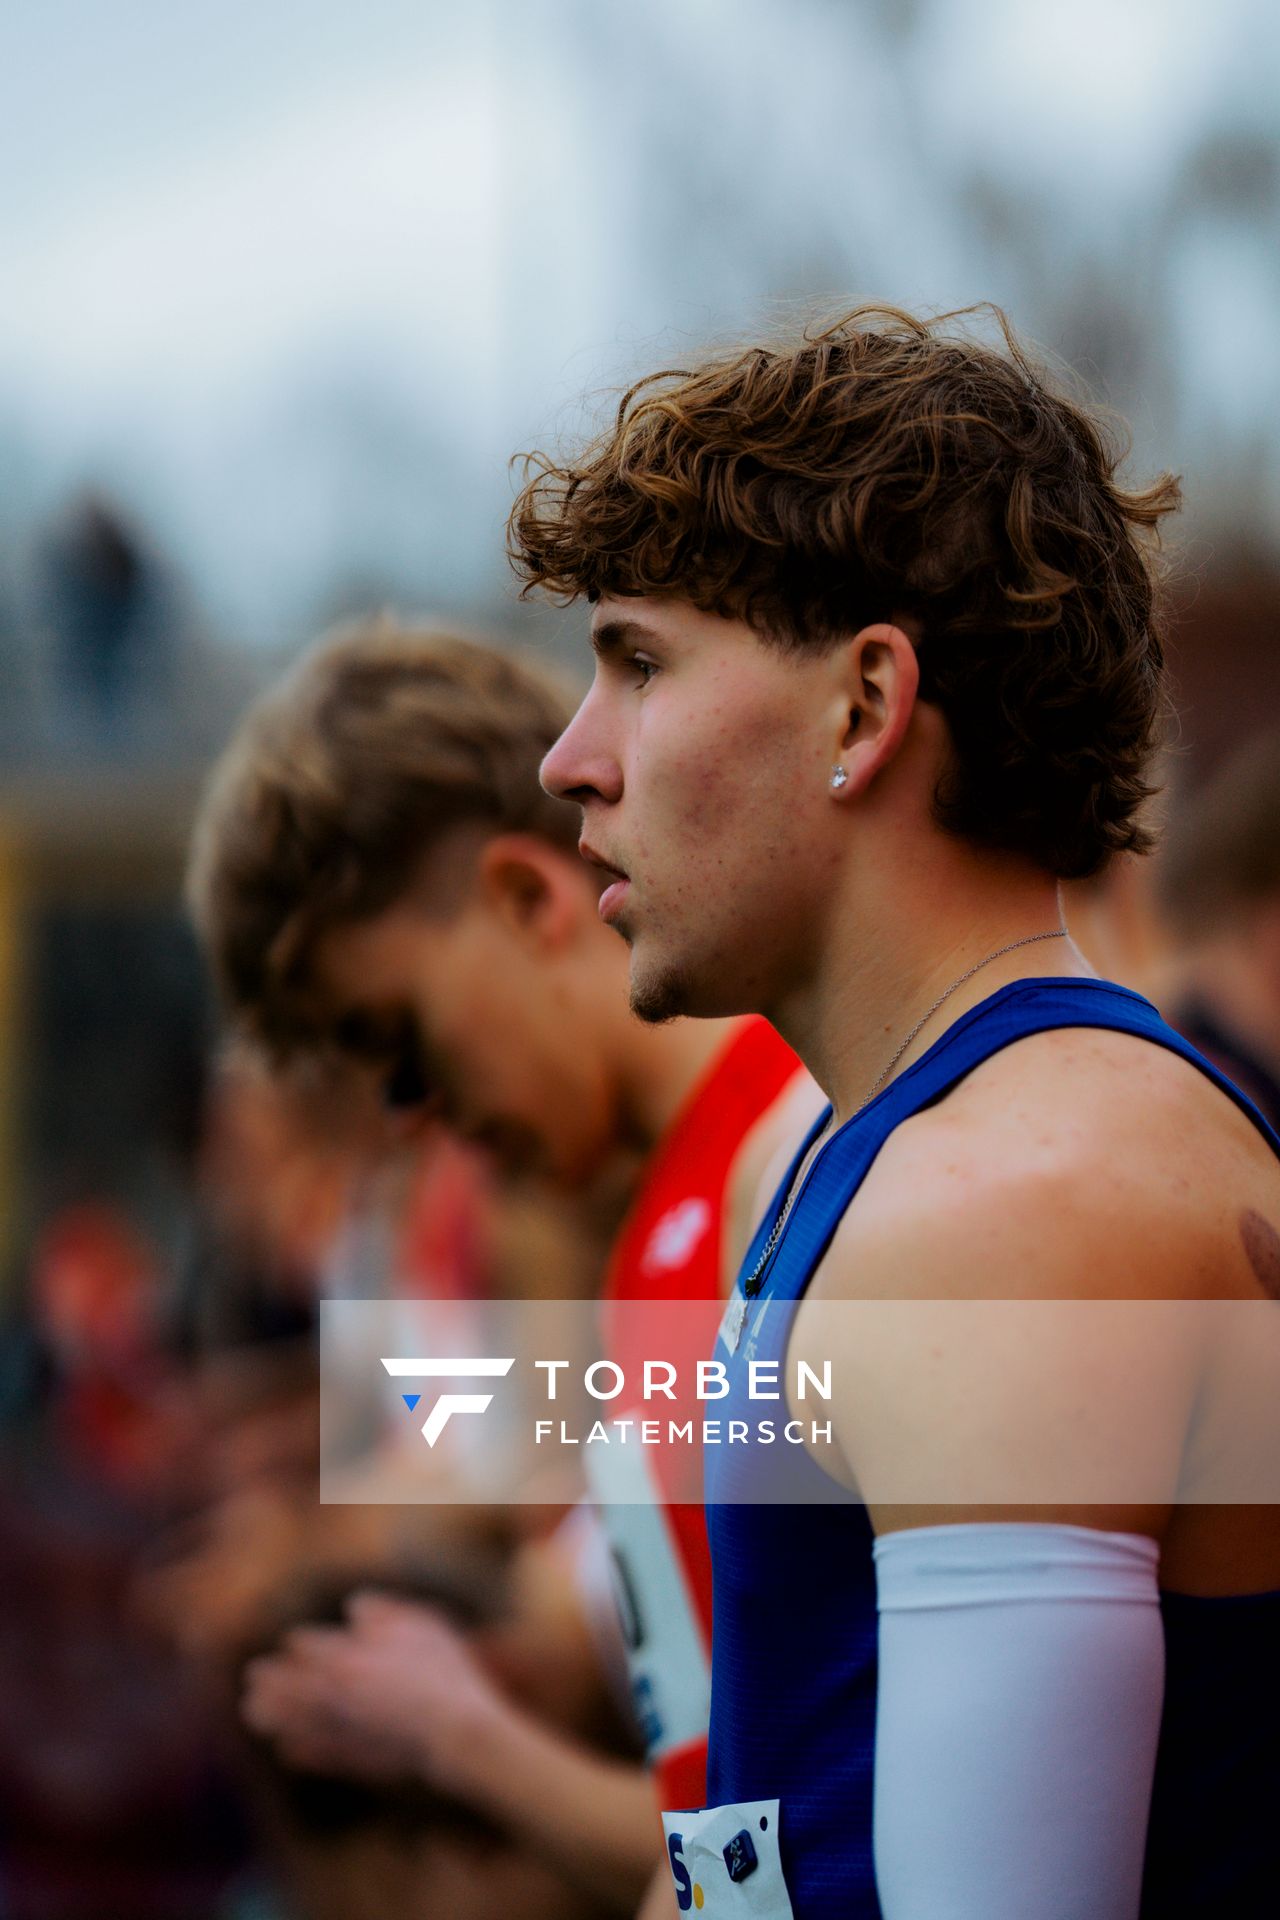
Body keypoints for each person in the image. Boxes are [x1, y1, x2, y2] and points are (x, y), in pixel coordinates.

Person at [515, 304, 1280, 1918]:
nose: (570, 761)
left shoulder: (1014, 1202)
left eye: (641, 663)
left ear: (863, 706)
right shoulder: (907, 1153)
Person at [187, 620, 813, 1912]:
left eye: (399, 1040)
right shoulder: (655, 1224)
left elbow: (794, 1861)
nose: (413, 1115)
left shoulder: (787, 1168)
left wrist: (460, 1731)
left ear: (527, 899)